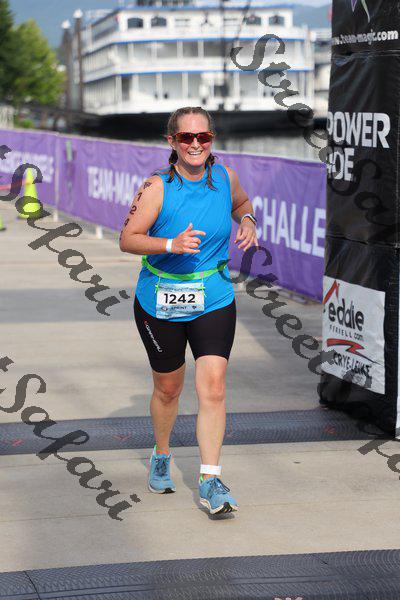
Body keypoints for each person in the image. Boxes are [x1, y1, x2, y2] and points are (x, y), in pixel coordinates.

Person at [120, 106, 258, 516]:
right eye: (186, 137)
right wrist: (170, 245)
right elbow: (128, 238)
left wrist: (248, 219)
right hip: (160, 298)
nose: (195, 144)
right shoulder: (157, 186)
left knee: (213, 387)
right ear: (172, 141)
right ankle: (162, 453)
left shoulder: (225, 177)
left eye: (203, 137)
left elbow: (241, 202)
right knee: (169, 389)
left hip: (213, 296)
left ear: (212, 139)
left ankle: (211, 480)